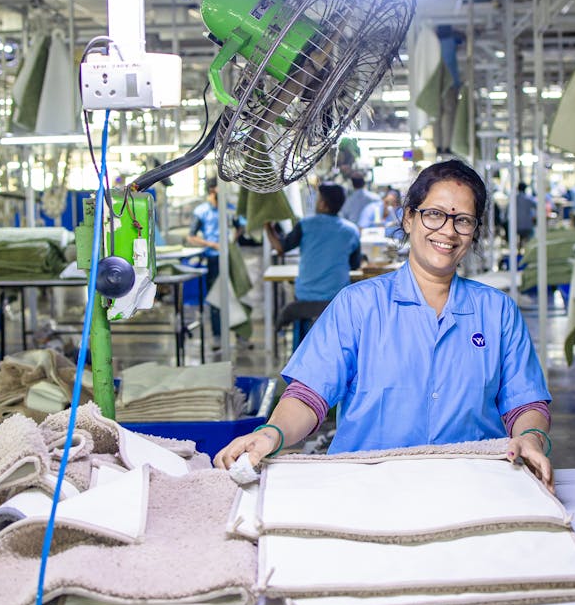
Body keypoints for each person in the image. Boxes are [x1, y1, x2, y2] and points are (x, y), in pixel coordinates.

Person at [214, 159, 553, 489]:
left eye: (463, 220)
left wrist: (530, 438)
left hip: (473, 483)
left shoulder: (498, 312)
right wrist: (270, 433)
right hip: (366, 485)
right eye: (434, 214)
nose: (447, 231)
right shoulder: (357, 305)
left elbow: (525, 403)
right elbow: (309, 394)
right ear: (409, 218)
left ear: (474, 231)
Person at [264, 183, 361, 339]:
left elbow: (280, 248)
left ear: (323, 204)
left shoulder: (305, 225)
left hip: (304, 299)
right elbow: (355, 265)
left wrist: (267, 224)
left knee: (297, 316)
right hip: (336, 300)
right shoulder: (351, 231)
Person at [187, 177, 225, 343]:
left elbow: (239, 227)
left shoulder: (227, 208)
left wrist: (231, 239)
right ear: (212, 190)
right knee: (216, 298)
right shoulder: (201, 211)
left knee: (235, 296)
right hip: (213, 259)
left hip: (229, 257)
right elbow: (191, 237)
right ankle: (217, 335)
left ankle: (240, 334)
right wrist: (211, 244)